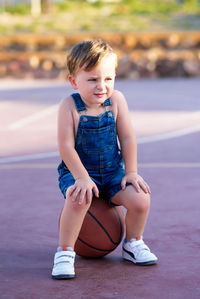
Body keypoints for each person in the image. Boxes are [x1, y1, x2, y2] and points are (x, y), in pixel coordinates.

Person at [52, 39, 158, 279]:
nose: (101, 86)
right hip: (77, 171)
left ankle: (133, 243)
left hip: (112, 171)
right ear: (73, 81)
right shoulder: (69, 106)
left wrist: (131, 172)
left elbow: (128, 138)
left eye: (108, 79)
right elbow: (65, 146)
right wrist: (81, 178)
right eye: (92, 79)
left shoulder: (117, 101)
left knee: (141, 199)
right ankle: (65, 252)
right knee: (79, 199)